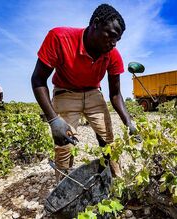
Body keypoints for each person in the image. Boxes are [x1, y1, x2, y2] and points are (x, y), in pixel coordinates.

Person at [31, 4, 137, 181]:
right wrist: (54, 120)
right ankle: (63, 186)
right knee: (64, 145)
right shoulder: (60, 38)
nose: (113, 43)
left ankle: (114, 180)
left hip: (93, 94)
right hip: (65, 93)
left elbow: (116, 95)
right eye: (110, 35)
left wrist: (129, 122)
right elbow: (38, 80)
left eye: (117, 39)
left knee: (108, 140)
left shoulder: (112, 54)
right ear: (95, 23)